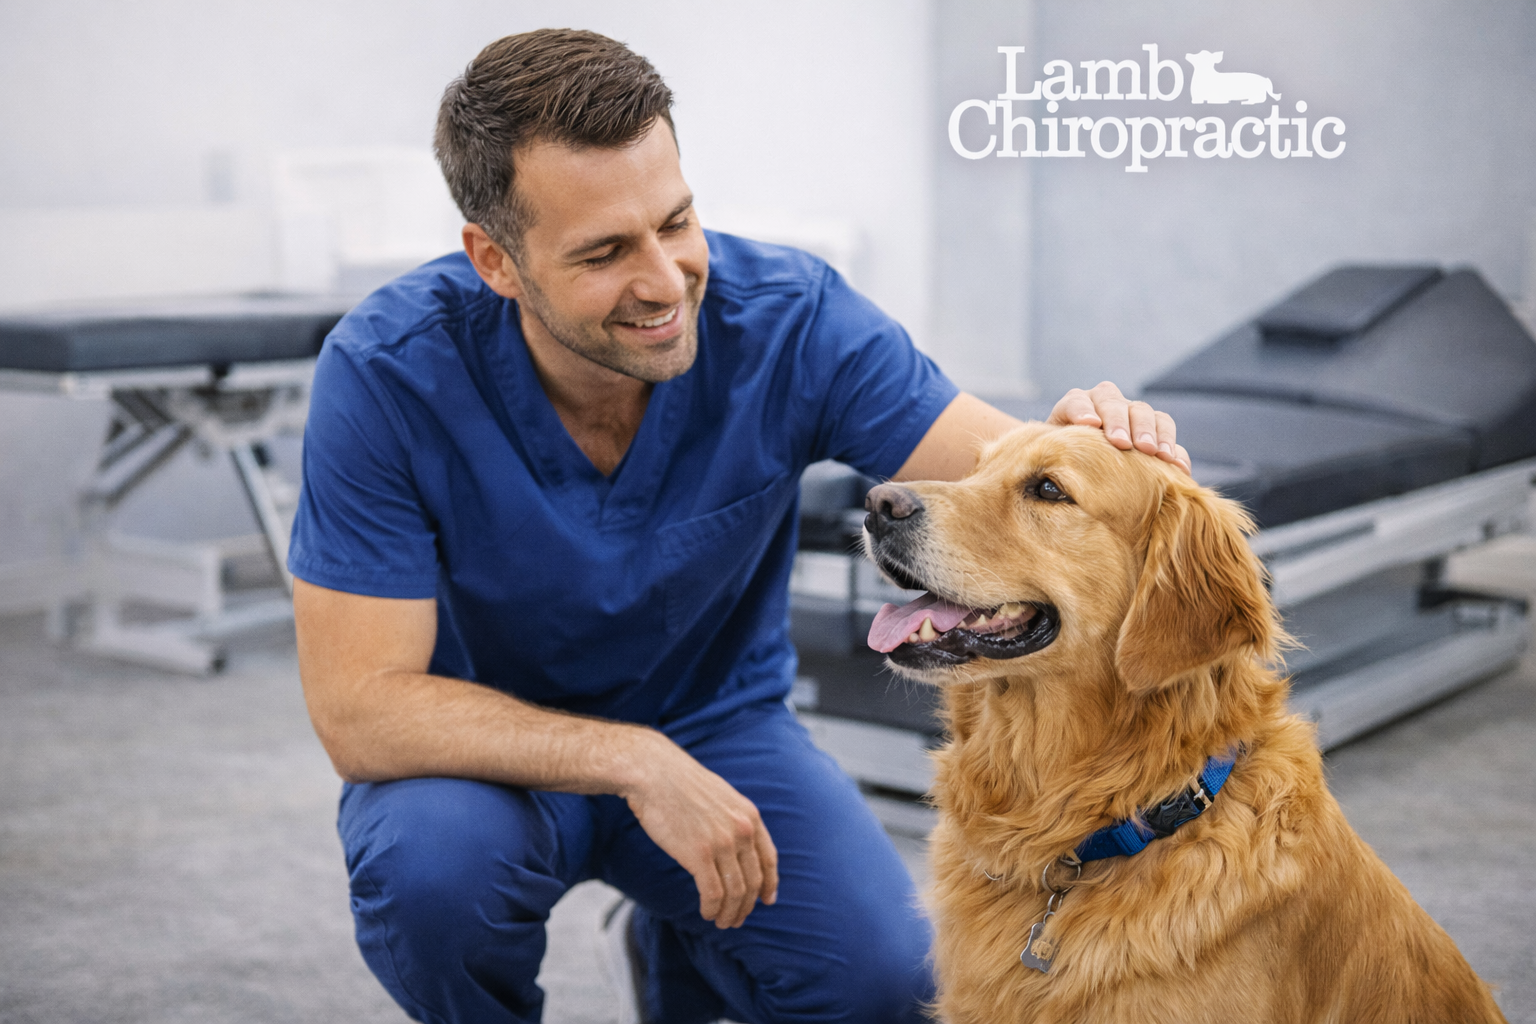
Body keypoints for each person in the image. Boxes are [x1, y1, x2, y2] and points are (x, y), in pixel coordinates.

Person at [288, 28, 1189, 1024]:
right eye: (604, 252)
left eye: (676, 221)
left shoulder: (789, 321)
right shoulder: (388, 373)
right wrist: (634, 759)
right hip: (487, 765)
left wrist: (1092, 449)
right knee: (431, 881)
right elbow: (361, 707)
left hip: (719, 729)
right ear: (496, 262)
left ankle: (678, 950)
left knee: (892, 985)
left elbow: (997, 463)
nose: (668, 282)